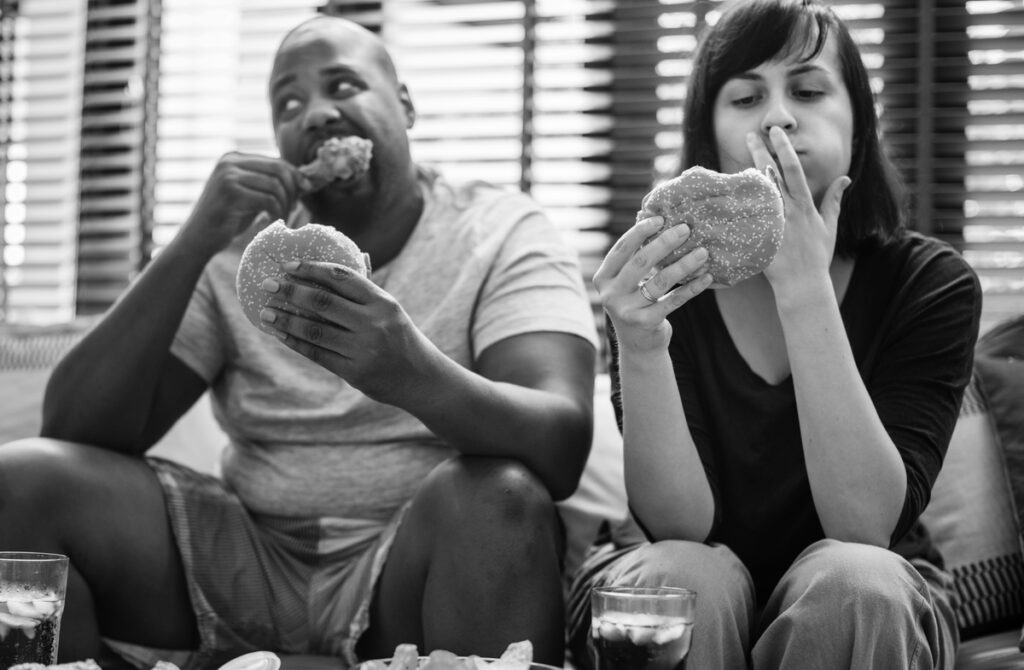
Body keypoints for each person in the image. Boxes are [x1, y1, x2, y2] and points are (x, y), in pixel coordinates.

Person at [0, 15, 598, 670]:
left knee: (504, 495)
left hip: (414, 565)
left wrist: (408, 371)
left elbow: (560, 445)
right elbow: (76, 426)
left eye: (343, 84)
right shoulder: (237, 246)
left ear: (404, 104)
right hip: (242, 558)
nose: (316, 113)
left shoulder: (499, 230)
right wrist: (195, 240)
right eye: (289, 103)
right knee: (22, 480)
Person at [567, 1, 981, 669]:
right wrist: (641, 345)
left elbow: (864, 527)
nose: (778, 117)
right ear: (707, 139)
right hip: (673, 569)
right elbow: (678, 529)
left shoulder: (930, 284)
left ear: (860, 122)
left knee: (857, 584)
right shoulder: (664, 281)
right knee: (682, 581)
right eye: (745, 97)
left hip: (871, 599)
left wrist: (804, 289)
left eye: (810, 90)